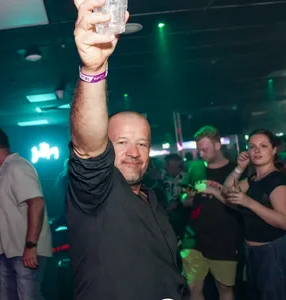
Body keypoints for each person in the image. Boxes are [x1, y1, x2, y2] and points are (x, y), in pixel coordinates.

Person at [66, 1, 187, 299]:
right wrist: (93, 71)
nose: (134, 152)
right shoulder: (96, 193)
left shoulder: (151, 198)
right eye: (122, 142)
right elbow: (87, 148)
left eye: (142, 143)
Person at [0, 127, 52, 300]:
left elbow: (37, 203)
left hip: (24, 252)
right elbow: (0, 214)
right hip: (8, 251)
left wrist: (30, 246)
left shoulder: (17, 167)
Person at [224, 129, 286, 300]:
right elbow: (226, 192)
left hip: (275, 252)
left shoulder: (277, 180)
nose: (256, 150)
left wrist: (248, 202)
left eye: (263, 146)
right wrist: (239, 168)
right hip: (254, 252)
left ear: (273, 150)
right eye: (252, 147)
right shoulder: (253, 179)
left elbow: (284, 221)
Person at [180, 126, 242, 300]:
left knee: (224, 287)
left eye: (205, 149)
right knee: (192, 287)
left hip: (224, 239)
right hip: (193, 237)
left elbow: (240, 205)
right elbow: (184, 198)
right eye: (199, 150)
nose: (201, 154)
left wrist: (213, 191)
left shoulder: (235, 170)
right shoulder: (195, 167)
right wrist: (187, 197)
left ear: (217, 145)